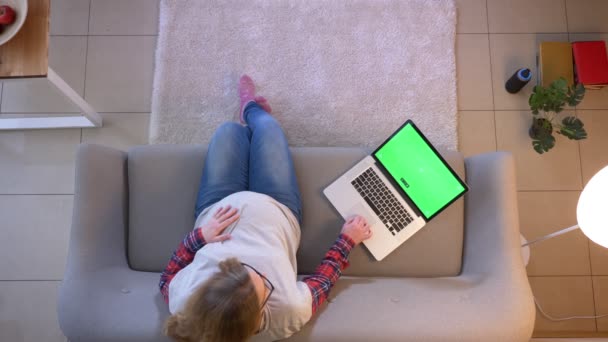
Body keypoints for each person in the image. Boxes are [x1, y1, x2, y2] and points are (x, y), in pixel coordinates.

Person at [159, 75, 372, 342]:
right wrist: (347, 240)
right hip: (278, 207)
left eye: (233, 266)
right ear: (262, 310)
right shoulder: (288, 313)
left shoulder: (184, 302)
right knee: (268, 128)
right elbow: (322, 282)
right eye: (263, 279)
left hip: (218, 206)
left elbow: (167, 277)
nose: (255, 265)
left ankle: (244, 117)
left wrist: (201, 237)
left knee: (228, 131)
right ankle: (250, 108)